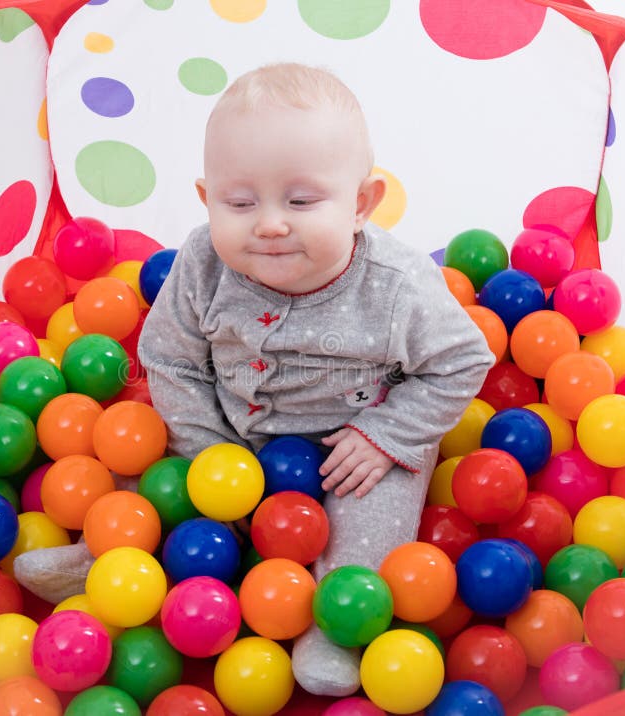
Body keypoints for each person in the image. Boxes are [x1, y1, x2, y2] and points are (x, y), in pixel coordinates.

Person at [135, 62, 495, 696]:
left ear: (360, 204)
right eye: (239, 203)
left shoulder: (396, 285)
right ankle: (115, 561)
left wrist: (386, 434)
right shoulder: (201, 263)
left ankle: (334, 621)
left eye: (301, 201)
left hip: (352, 449)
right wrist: (210, 449)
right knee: (152, 482)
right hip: (231, 432)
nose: (270, 223)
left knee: (372, 524)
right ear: (206, 199)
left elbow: (462, 361)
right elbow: (170, 360)